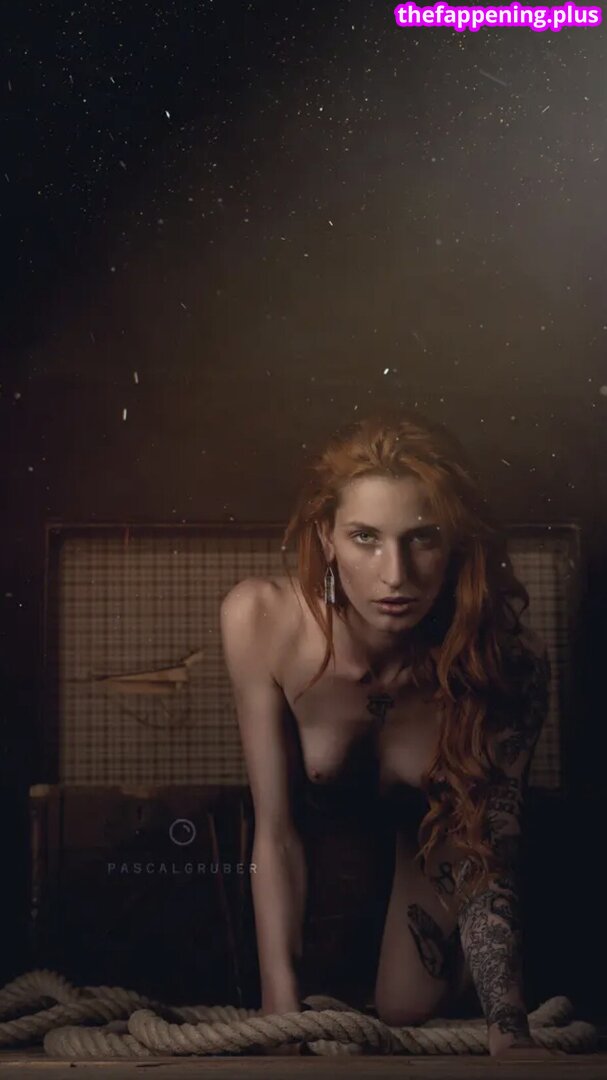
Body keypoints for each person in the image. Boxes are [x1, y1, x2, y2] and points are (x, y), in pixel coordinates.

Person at [219, 411, 555, 1058]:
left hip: (429, 846)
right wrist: (279, 1015)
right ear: (327, 537)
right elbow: (275, 830)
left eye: (422, 538)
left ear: (455, 543)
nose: (395, 574)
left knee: (407, 1006)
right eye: (365, 538)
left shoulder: (508, 660)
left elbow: (488, 847)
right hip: (318, 865)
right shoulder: (261, 621)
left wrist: (509, 1030)